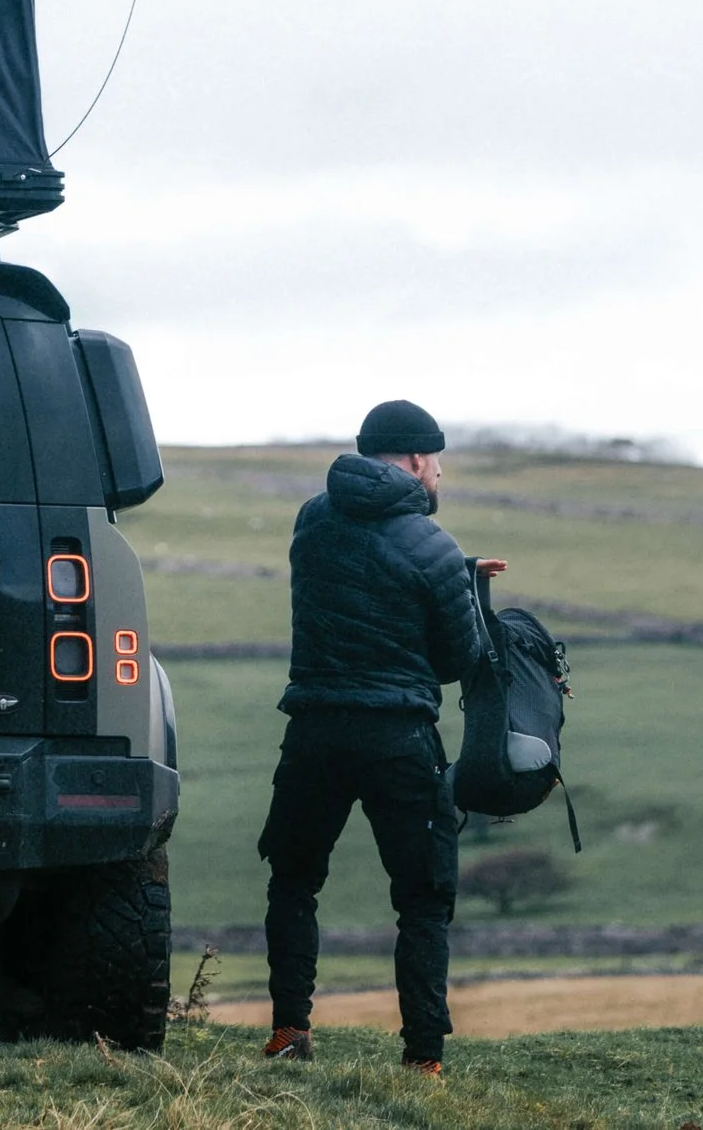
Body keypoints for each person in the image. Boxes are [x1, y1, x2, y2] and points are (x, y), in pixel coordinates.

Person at [257, 398, 506, 1075]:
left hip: (312, 727)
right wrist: (465, 590)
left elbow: (355, 588)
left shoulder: (311, 520)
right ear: (420, 458)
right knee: (423, 898)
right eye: (440, 462)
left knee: (294, 878)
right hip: (397, 735)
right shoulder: (434, 546)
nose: (441, 475)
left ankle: (289, 1029)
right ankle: (423, 1056)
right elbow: (459, 659)